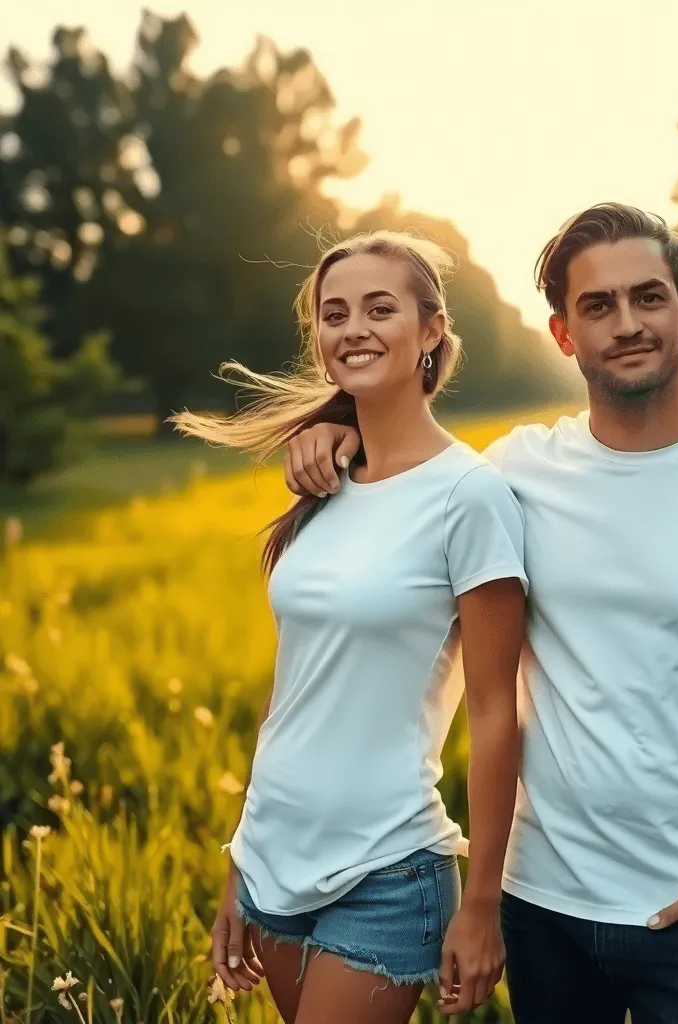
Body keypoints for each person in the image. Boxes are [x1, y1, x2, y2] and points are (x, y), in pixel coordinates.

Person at [281, 203, 678, 1024]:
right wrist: (333, 436)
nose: (627, 324)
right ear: (563, 334)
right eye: (597, 306)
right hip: (540, 904)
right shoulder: (515, 473)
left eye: (648, 298)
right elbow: (411, 474)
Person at [171, 231, 528, 1024]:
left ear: (431, 330)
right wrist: (243, 856)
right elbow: (291, 692)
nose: (354, 327)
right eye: (335, 314)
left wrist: (482, 903)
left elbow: (496, 710)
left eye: (379, 308)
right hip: (273, 858)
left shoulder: (470, 496)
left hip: (386, 869)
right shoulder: (321, 481)